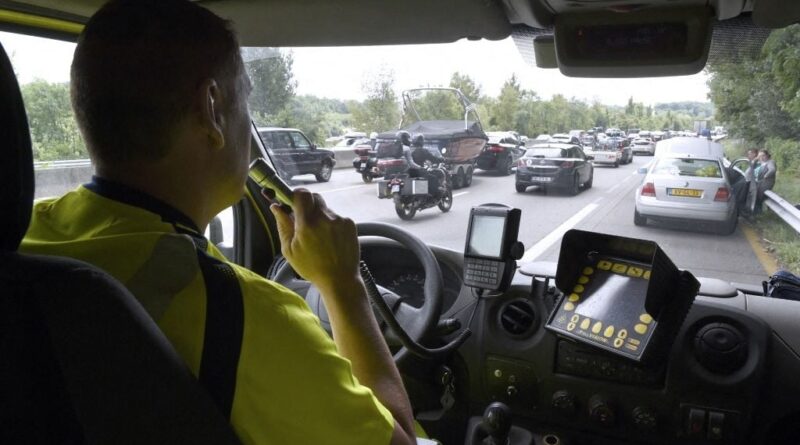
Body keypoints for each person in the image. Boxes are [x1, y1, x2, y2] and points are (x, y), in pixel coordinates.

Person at [19, 1, 417, 444]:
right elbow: (400, 438)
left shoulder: (23, 238)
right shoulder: (244, 312)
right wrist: (343, 287)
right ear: (211, 109)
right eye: (245, 99)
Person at [754, 149, 777, 214]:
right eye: (760, 156)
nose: (762, 157)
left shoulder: (770, 162)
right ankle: (758, 210)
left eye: (763, 155)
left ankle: (759, 211)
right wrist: (755, 160)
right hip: (759, 182)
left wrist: (766, 175)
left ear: (767, 155)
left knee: (760, 195)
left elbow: (772, 169)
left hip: (767, 182)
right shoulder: (760, 163)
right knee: (755, 194)